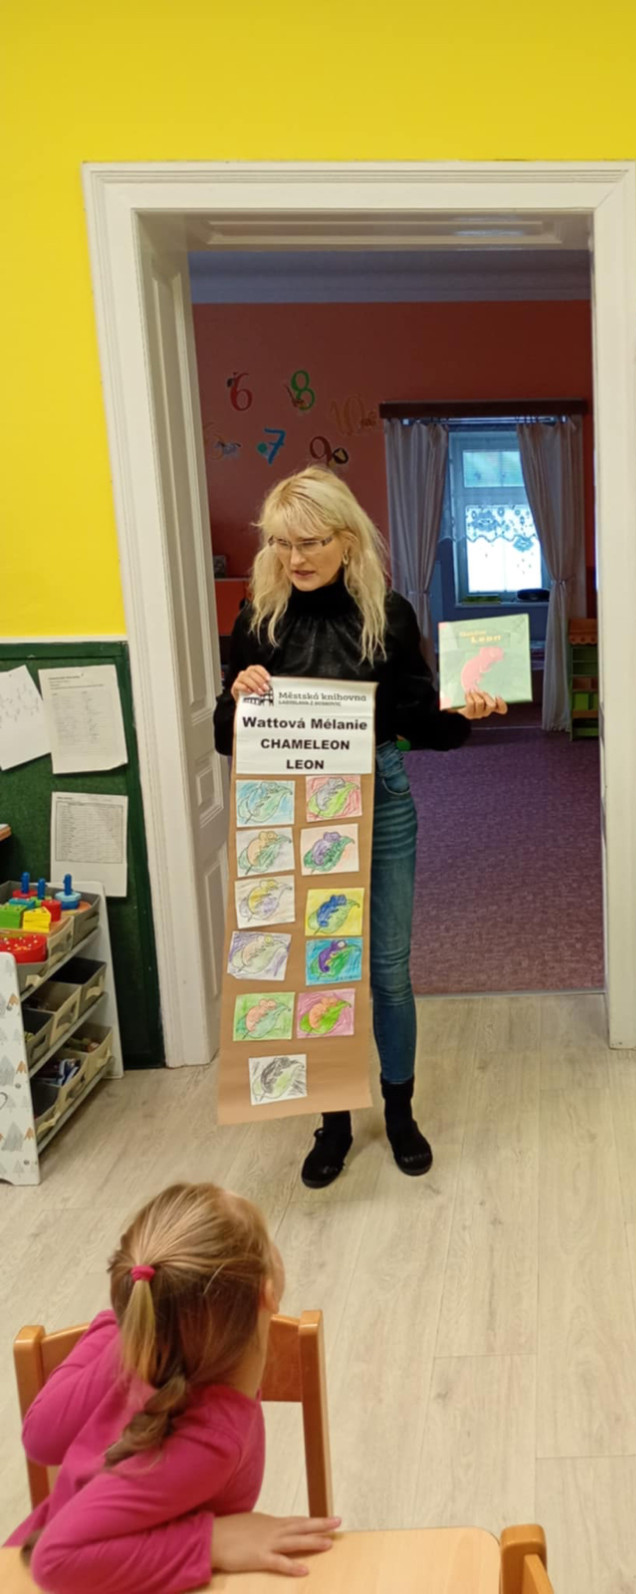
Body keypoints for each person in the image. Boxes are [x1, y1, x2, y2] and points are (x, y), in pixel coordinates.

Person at [213, 467, 505, 1188]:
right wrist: (238, 696)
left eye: (310, 542)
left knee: (389, 971)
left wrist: (463, 714)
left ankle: (399, 1112)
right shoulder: (259, 619)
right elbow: (226, 736)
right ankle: (334, 1123)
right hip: (292, 806)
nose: (296, 558)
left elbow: (422, 724)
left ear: (347, 539)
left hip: (381, 797)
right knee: (320, 969)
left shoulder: (389, 615)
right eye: (282, 543)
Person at [5, 1183, 339, 1593]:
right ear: (266, 1294)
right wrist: (210, 1543)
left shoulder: (143, 1343)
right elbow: (55, 1559)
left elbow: (40, 1440)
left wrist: (133, 1330)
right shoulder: (214, 1439)